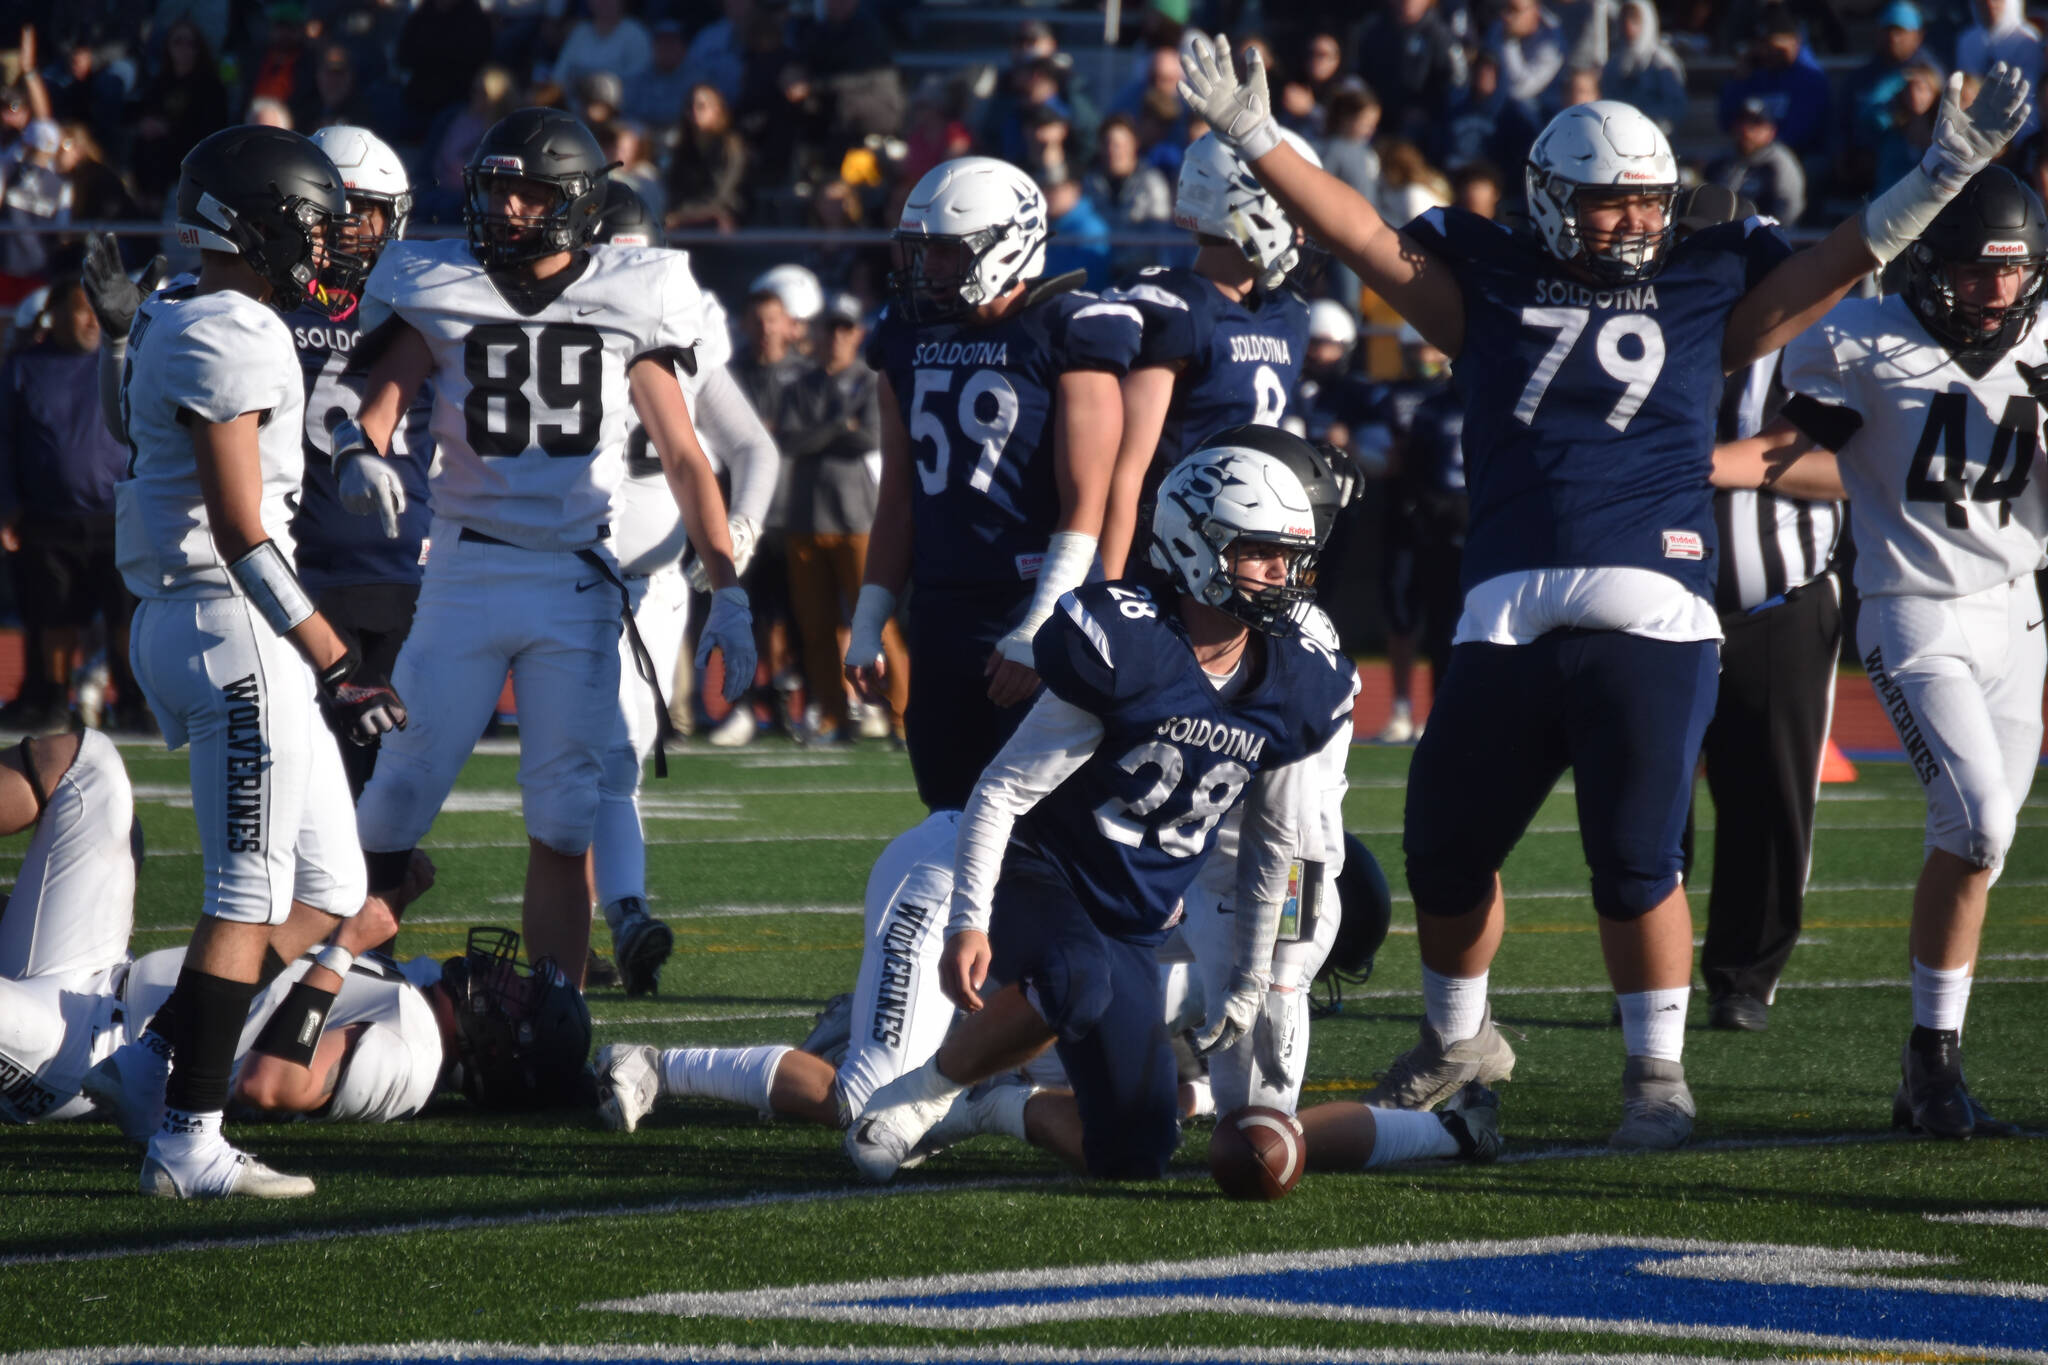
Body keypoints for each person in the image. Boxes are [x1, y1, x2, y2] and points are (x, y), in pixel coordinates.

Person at [1176, 30, 2032, 1146]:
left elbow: (1834, 263)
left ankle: (1655, 1076)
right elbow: (1361, 236)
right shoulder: (1484, 280)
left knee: (1635, 858)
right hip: (1501, 603)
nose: (1632, 222)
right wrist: (1258, 138)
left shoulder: (1703, 278)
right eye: (1606, 203)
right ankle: (1457, 1040)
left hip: (1656, 601)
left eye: (1646, 203)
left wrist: (1936, 178)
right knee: (1442, 846)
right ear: (1543, 198)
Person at [845, 441, 1358, 1182]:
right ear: (1196, 545)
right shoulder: (1133, 644)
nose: (1284, 574)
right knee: (1075, 974)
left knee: (1135, 1150)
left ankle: (992, 1106)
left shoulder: (1294, 678)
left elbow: (1277, 845)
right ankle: (917, 1096)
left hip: (1137, 913)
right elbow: (1001, 789)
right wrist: (969, 919)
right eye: (1260, 553)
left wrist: (1250, 978)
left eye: (1288, 556)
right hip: (1045, 868)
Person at [326, 108, 756, 988]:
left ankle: (560, 1020)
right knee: (396, 795)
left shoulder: (634, 291)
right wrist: (356, 458)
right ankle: (316, 974)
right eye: (497, 188)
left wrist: (730, 587)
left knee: (563, 815)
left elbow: (684, 453)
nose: (509, 209)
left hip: (574, 582)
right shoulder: (435, 282)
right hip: (466, 569)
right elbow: (371, 412)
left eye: (529, 192)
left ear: (577, 203)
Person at [1709, 167, 2046, 1136]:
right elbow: (1799, 451)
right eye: (1978, 271)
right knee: (1977, 822)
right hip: (1911, 610)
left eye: (2013, 271)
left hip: (2016, 613)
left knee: (1978, 847)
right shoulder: (1860, 338)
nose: (1995, 291)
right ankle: (1927, 1060)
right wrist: (1689, 466)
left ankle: (1929, 1064)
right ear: (1931, 266)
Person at [107, 125, 405, 1197]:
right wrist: (337, 661)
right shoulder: (236, 326)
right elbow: (242, 527)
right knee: (247, 890)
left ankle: (148, 1069)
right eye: (311, 224)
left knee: (328, 888)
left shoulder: (179, 305)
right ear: (260, 224)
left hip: (194, 619)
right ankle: (189, 1139)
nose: (326, 245)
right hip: (228, 623)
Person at [844, 156, 1141, 816]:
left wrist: (1040, 624)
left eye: (949, 254)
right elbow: (899, 495)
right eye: (926, 254)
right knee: (947, 808)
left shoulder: (1070, 328)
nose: (932, 271)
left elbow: (1086, 499)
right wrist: (869, 619)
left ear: (1008, 245)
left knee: (1039, 824)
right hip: (944, 607)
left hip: (1032, 600)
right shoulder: (907, 334)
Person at [586, 181, 777, 994]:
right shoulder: (571, 311)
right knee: (582, 761)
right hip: (559, 571)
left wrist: (735, 536)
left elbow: (752, 450)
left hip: (650, 583)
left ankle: (621, 912)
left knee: (612, 756)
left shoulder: (678, 317)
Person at [1672, 184, 1845, 1035]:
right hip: (1657, 608)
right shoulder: (1646, 331)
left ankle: (1744, 976)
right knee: (1648, 805)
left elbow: (1852, 466)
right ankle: (1655, 981)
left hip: (1777, 599)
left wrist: (1707, 462)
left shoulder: (1814, 337)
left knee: (1768, 806)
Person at [282, 126, 434, 799]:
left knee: (388, 789)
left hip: (410, 571)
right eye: (331, 213)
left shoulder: (428, 302)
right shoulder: (265, 303)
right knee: (310, 777)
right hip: (304, 567)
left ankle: (375, 893)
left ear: (392, 217)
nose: (345, 231)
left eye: (361, 213)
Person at [1097, 132, 1317, 578]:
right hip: (1175, 548)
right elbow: (1124, 471)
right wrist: (1110, 589)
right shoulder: (1180, 308)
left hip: (1257, 543)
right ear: (1249, 208)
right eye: (1292, 209)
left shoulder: (1288, 313)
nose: (1301, 229)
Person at [0, 274, 138, 732]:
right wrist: (9, 506)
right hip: (47, 519)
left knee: (127, 620)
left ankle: (137, 704)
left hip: (118, 517)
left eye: (95, 312)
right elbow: (4, 442)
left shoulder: (121, 362)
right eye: (80, 310)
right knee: (54, 618)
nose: (91, 321)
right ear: (54, 314)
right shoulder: (23, 368)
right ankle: (54, 701)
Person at [780, 291, 906, 746]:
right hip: (806, 517)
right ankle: (832, 717)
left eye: (845, 328)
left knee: (877, 623)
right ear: (816, 331)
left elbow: (870, 437)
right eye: (829, 327)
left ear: (857, 334)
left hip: (858, 519)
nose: (836, 336)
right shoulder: (798, 384)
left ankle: (901, 718)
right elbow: (789, 441)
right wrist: (839, 427)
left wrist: (829, 433)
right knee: (816, 630)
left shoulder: (871, 381)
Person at [1709, 97, 1807, 227]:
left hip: (1765, 237)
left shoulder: (1780, 163)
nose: (1746, 130)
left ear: (1771, 131)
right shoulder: (1722, 161)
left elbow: (1789, 209)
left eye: (1756, 123)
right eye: (1742, 122)